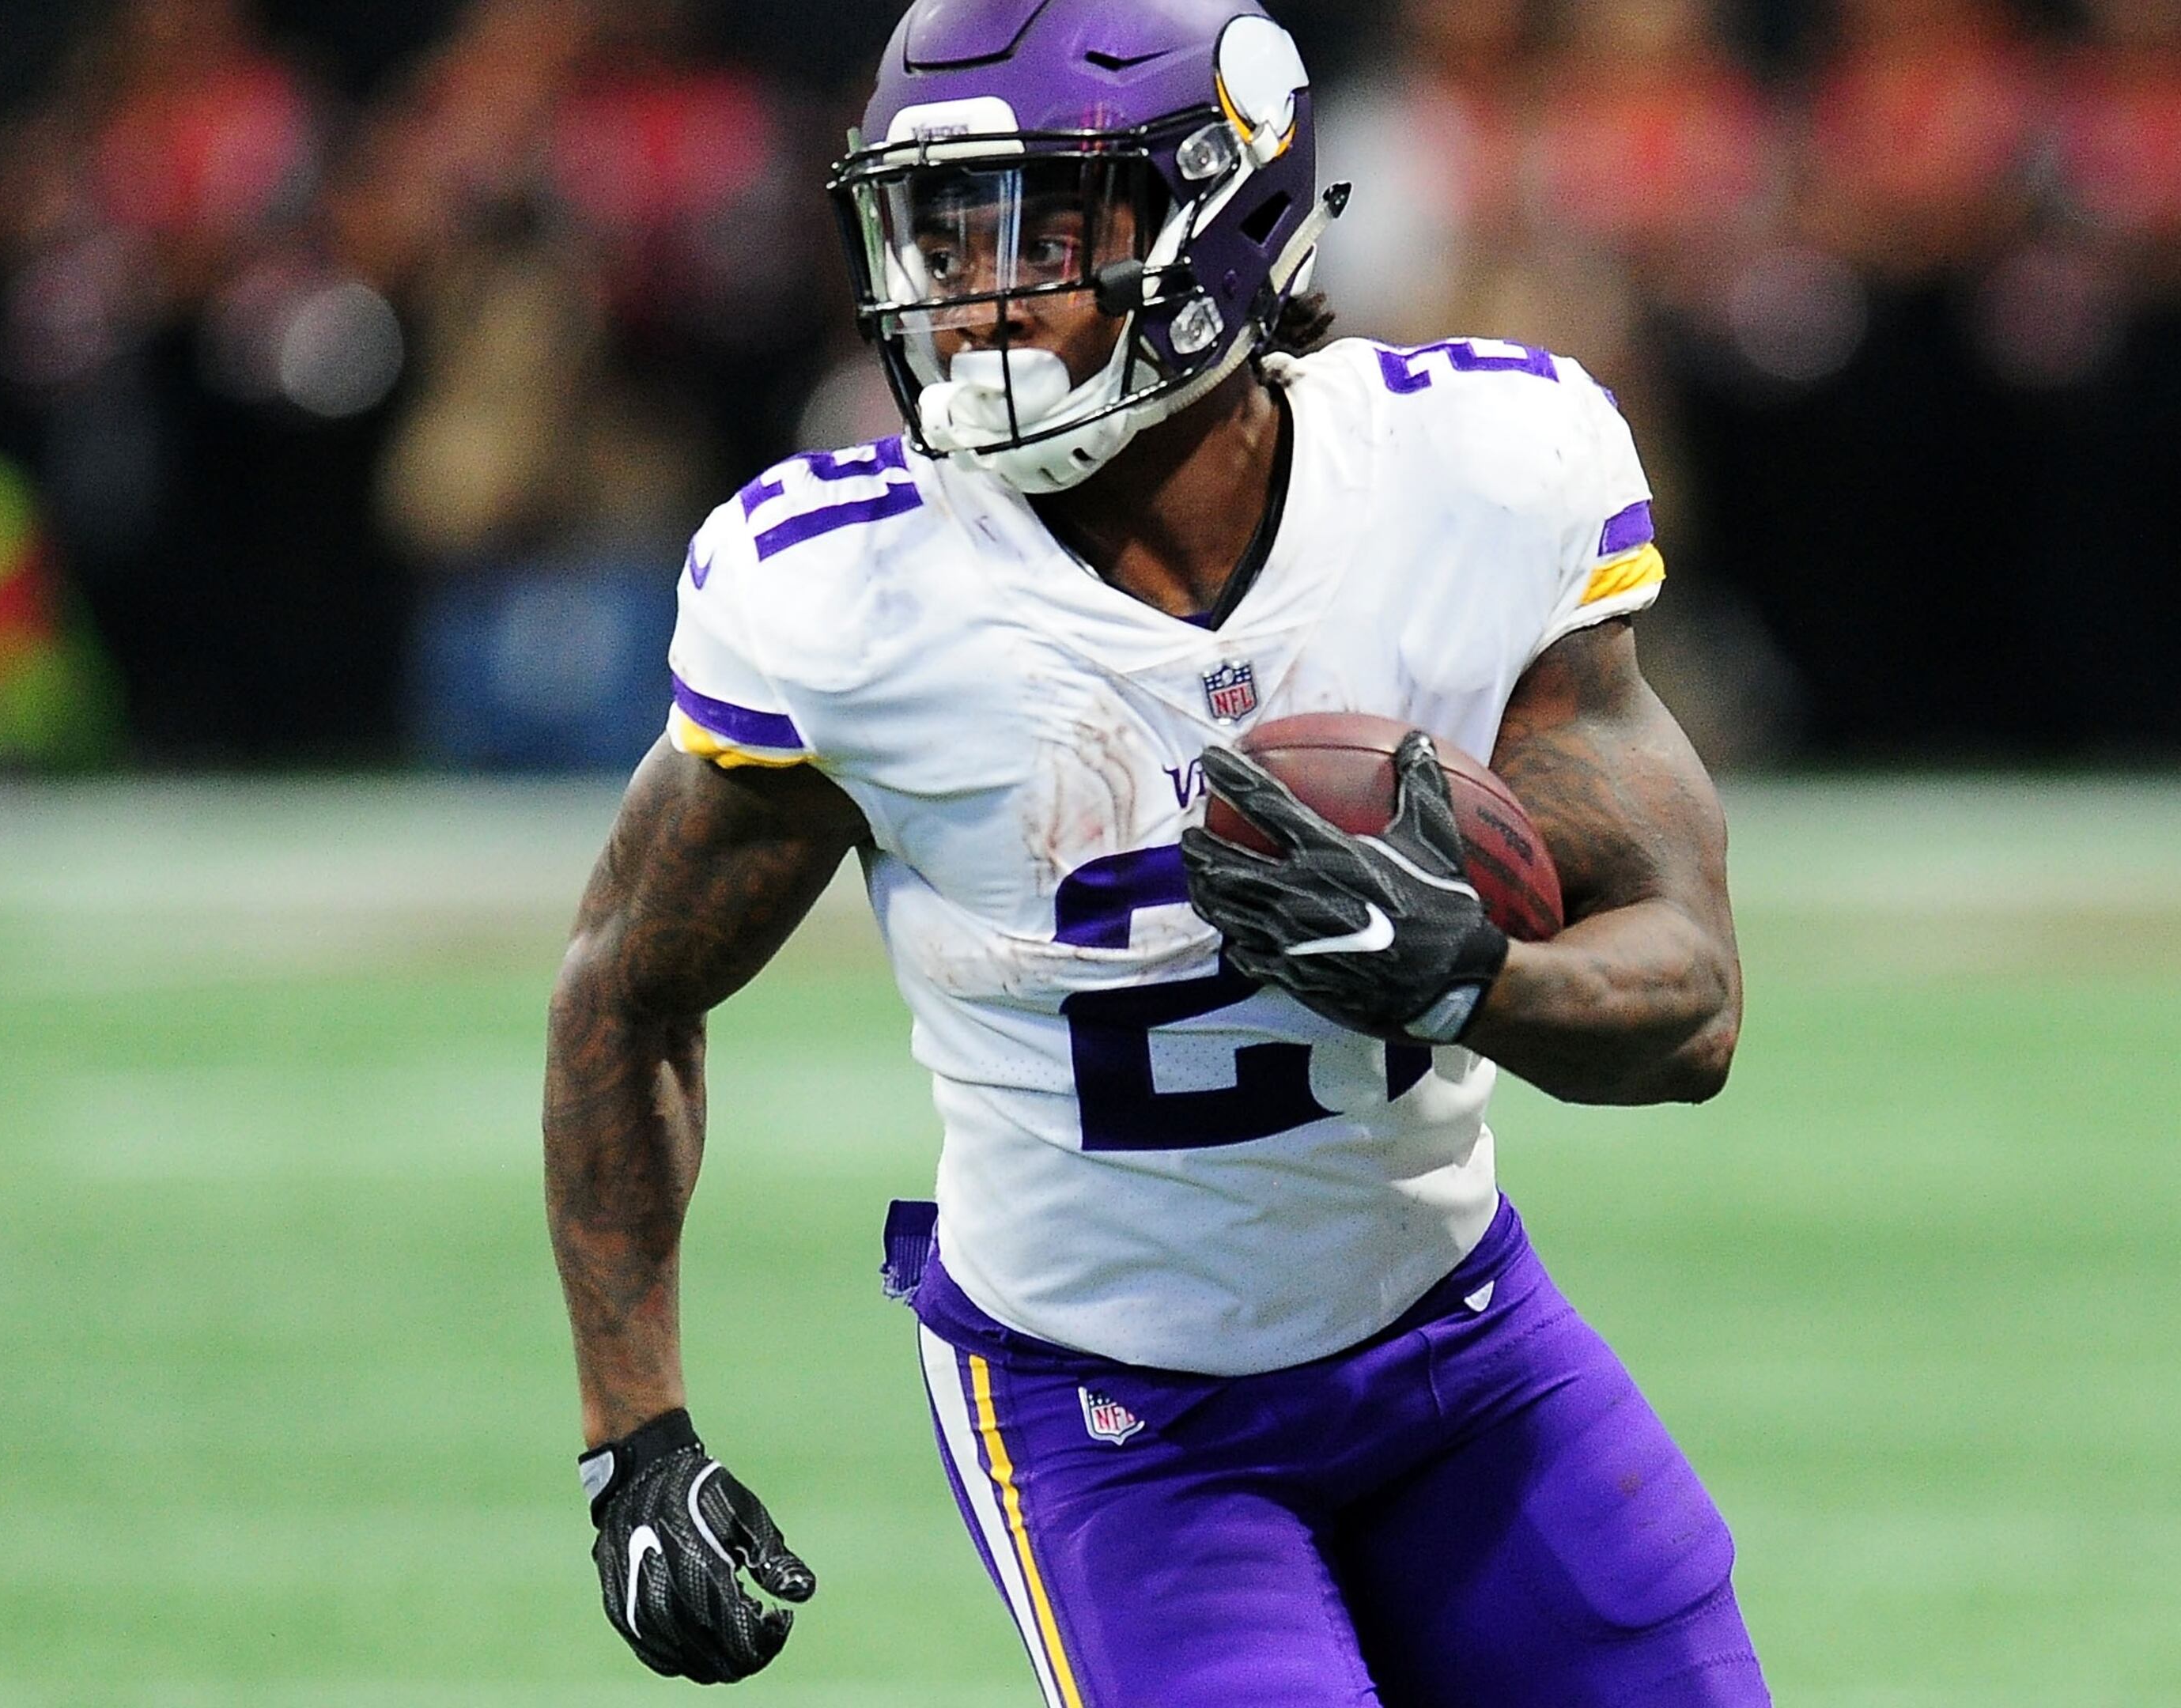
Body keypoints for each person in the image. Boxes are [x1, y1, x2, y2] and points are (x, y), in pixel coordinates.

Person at [542, 0, 1763, 1700]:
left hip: (1458, 1346)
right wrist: (635, 1440)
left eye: (1041, 222)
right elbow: (623, 985)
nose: (977, 294)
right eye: (941, 229)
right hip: (1105, 1412)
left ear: (1227, 212)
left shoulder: (1470, 482)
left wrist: (1469, 977)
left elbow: (1692, 1009)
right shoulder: (850, 599)